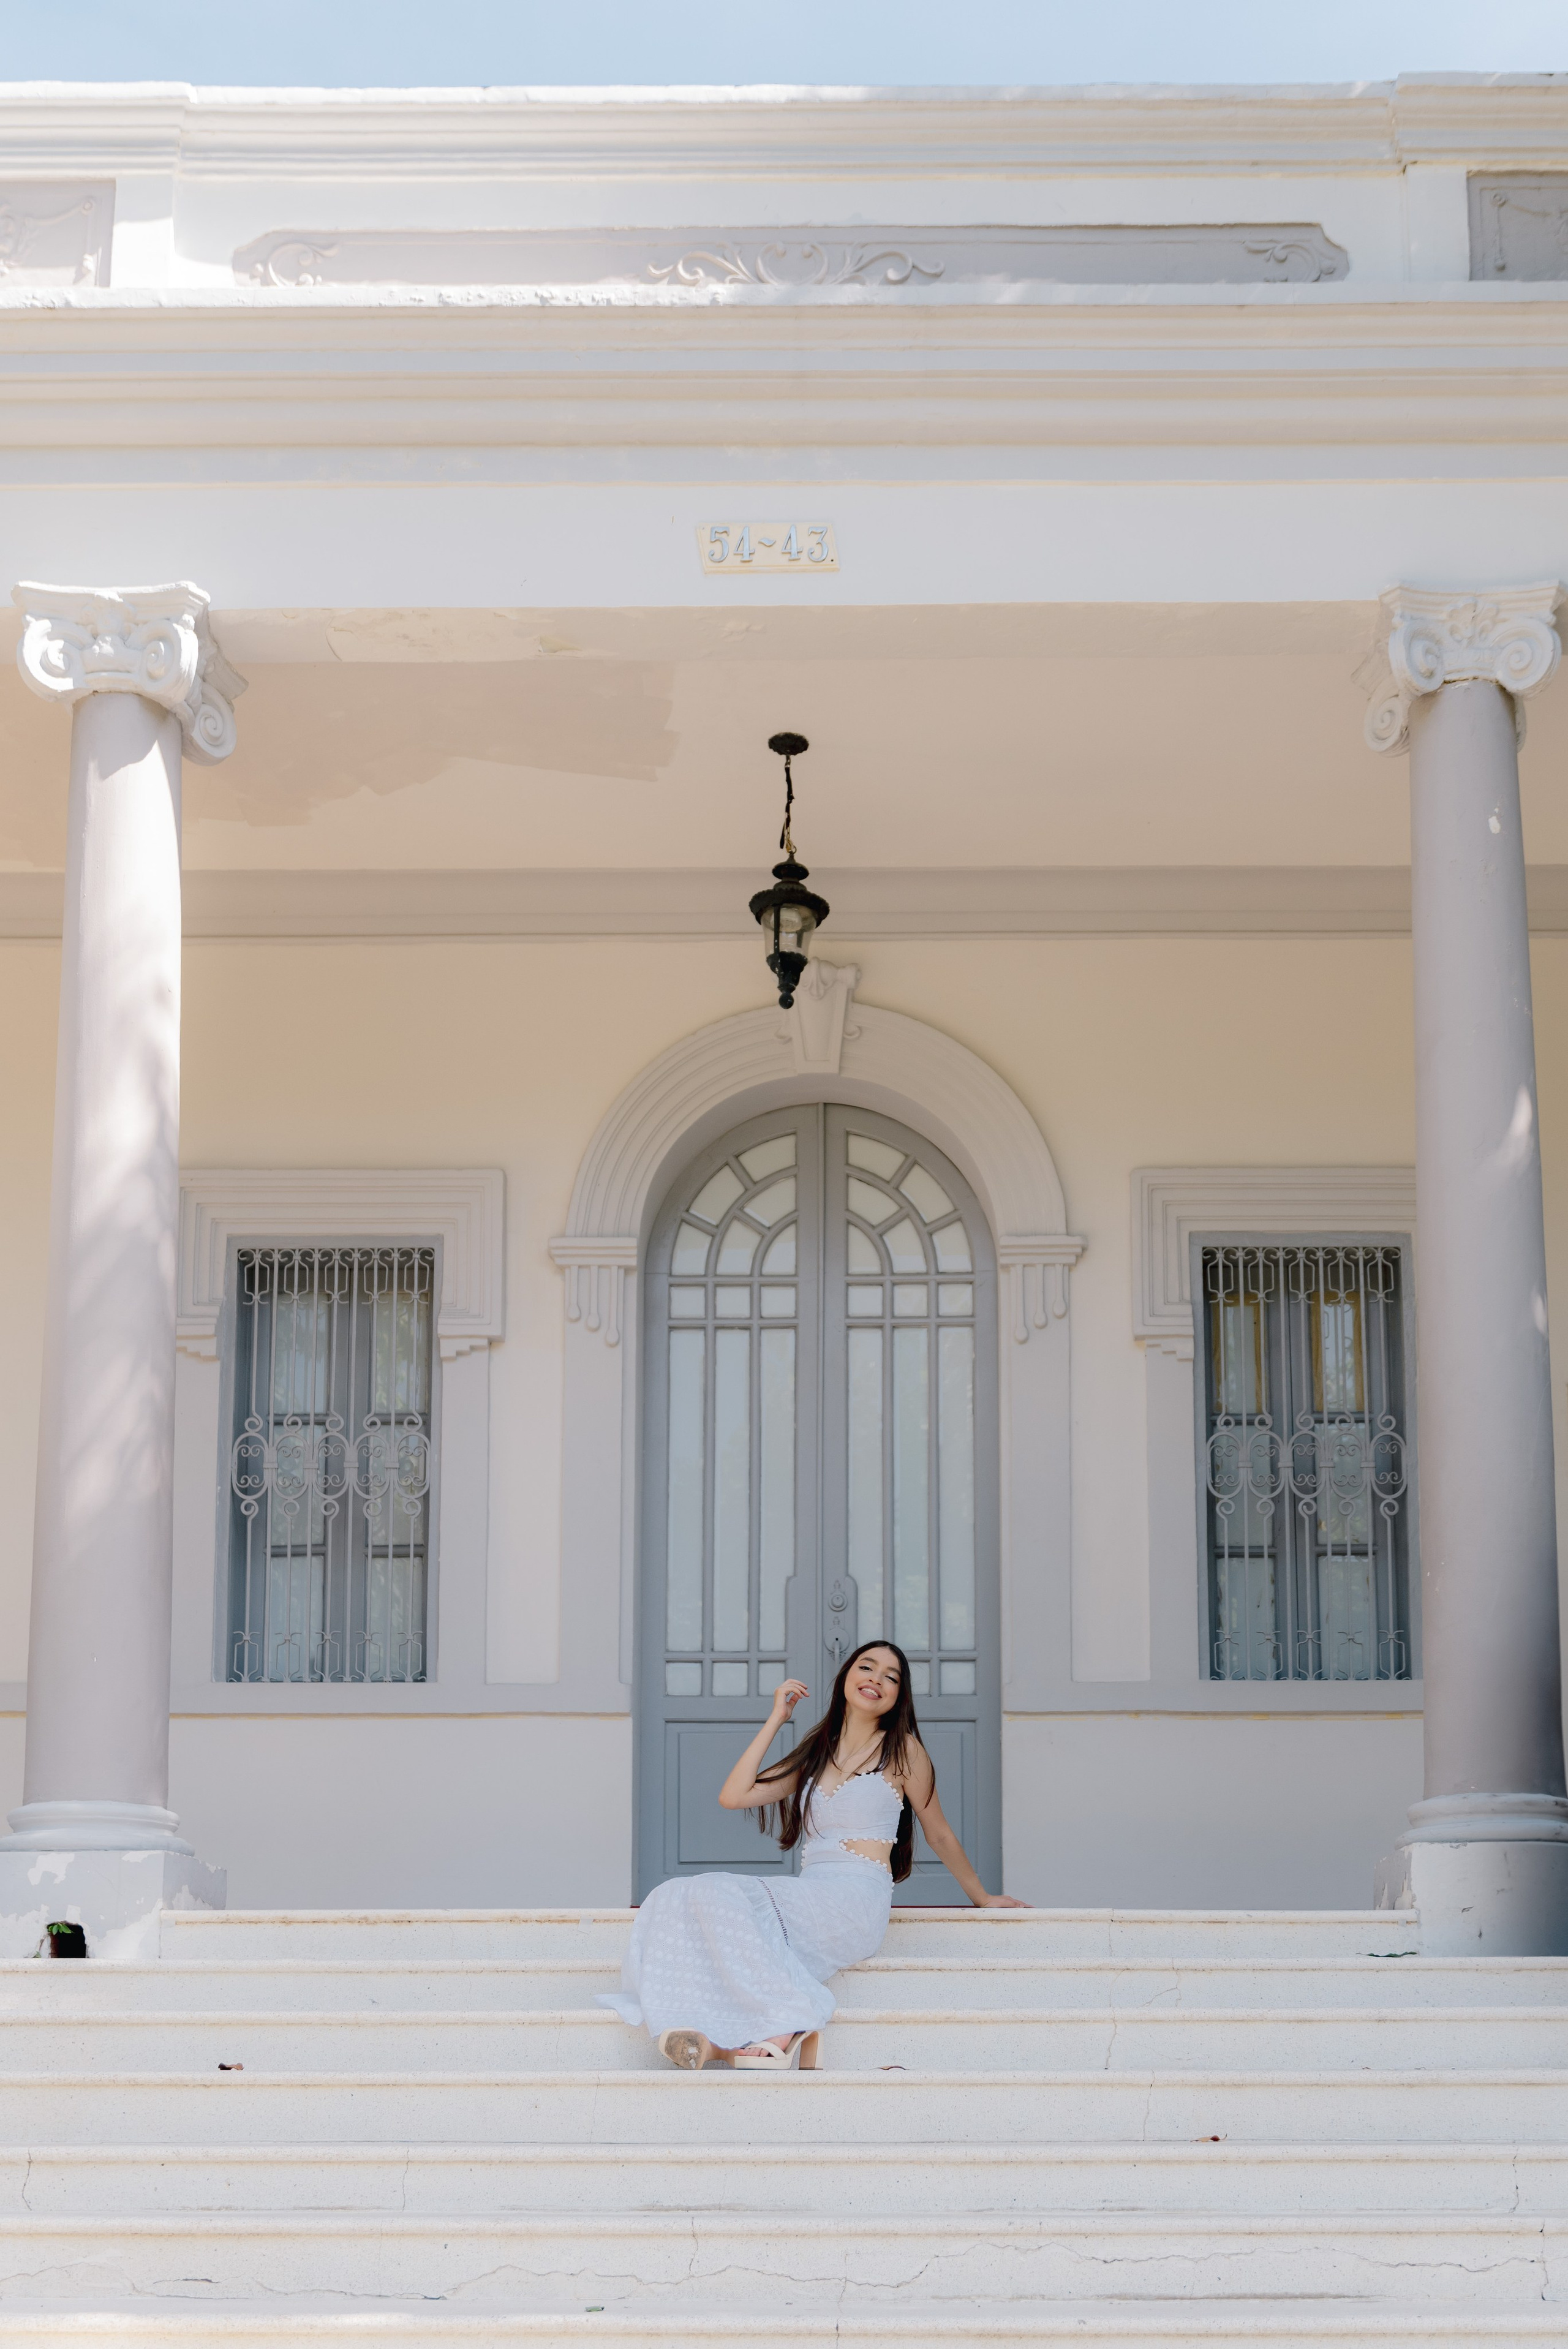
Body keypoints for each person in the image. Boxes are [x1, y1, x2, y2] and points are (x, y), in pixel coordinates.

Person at [600, 1638, 1027, 2070]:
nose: (876, 1678)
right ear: (847, 1678)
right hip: (811, 1896)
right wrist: (776, 1718)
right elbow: (733, 1794)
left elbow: (940, 1834)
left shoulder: (905, 1751)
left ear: (899, 1695)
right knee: (680, 1892)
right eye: (867, 1667)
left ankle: (788, 2016)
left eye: (891, 1676)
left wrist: (983, 1897)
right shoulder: (815, 1754)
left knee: (721, 1894)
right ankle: (723, 2041)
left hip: (856, 1901)